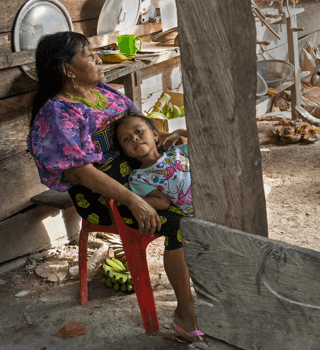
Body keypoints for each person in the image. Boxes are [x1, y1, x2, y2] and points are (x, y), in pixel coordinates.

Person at [26, 31, 203, 343]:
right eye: (89, 54)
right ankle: (184, 313)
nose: (98, 57)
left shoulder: (106, 93)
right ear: (68, 69)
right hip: (104, 198)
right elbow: (81, 174)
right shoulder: (57, 114)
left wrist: (166, 137)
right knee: (178, 223)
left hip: (143, 178)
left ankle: (213, 287)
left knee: (203, 195)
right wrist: (134, 200)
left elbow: (141, 126)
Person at [112, 111, 193, 218]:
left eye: (139, 131)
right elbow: (164, 203)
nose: (134, 138)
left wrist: (180, 132)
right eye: (126, 139)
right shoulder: (138, 178)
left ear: (155, 135)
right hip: (198, 215)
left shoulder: (178, 151)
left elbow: (208, 142)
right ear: (125, 152)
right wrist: (128, 200)